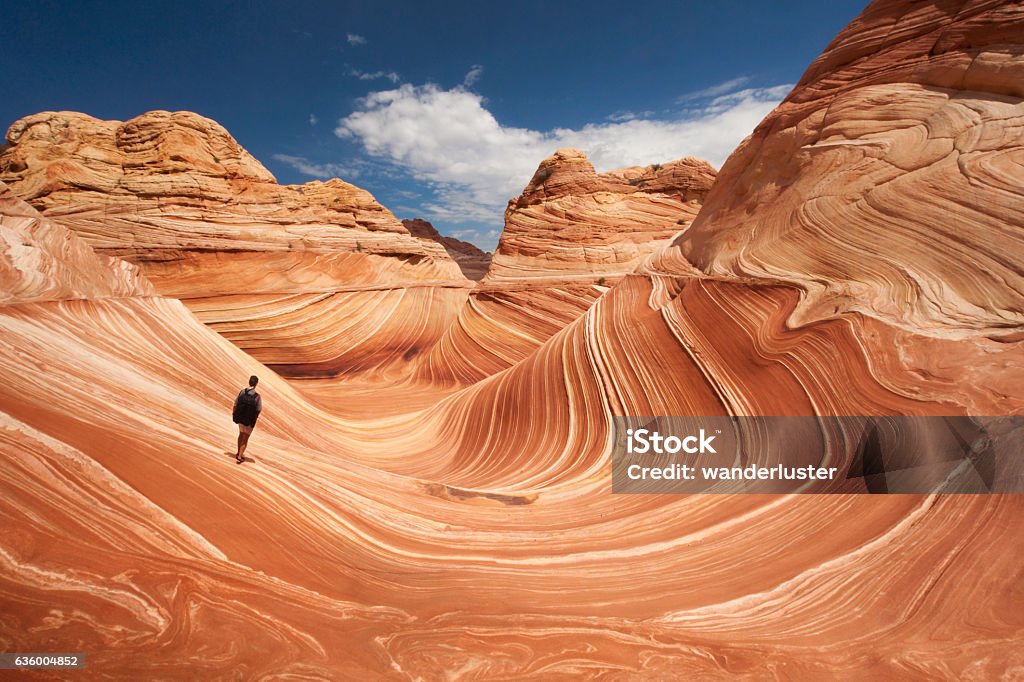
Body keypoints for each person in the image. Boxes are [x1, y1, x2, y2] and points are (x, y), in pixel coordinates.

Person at [232, 375, 262, 463]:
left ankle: (238, 453)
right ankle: (240, 456)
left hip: (240, 418)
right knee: (245, 438)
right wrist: (254, 417)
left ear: (249, 382)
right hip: (249, 420)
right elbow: (259, 409)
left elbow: (235, 404)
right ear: (256, 384)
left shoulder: (242, 392)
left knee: (241, 434)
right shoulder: (257, 397)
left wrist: (234, 414)